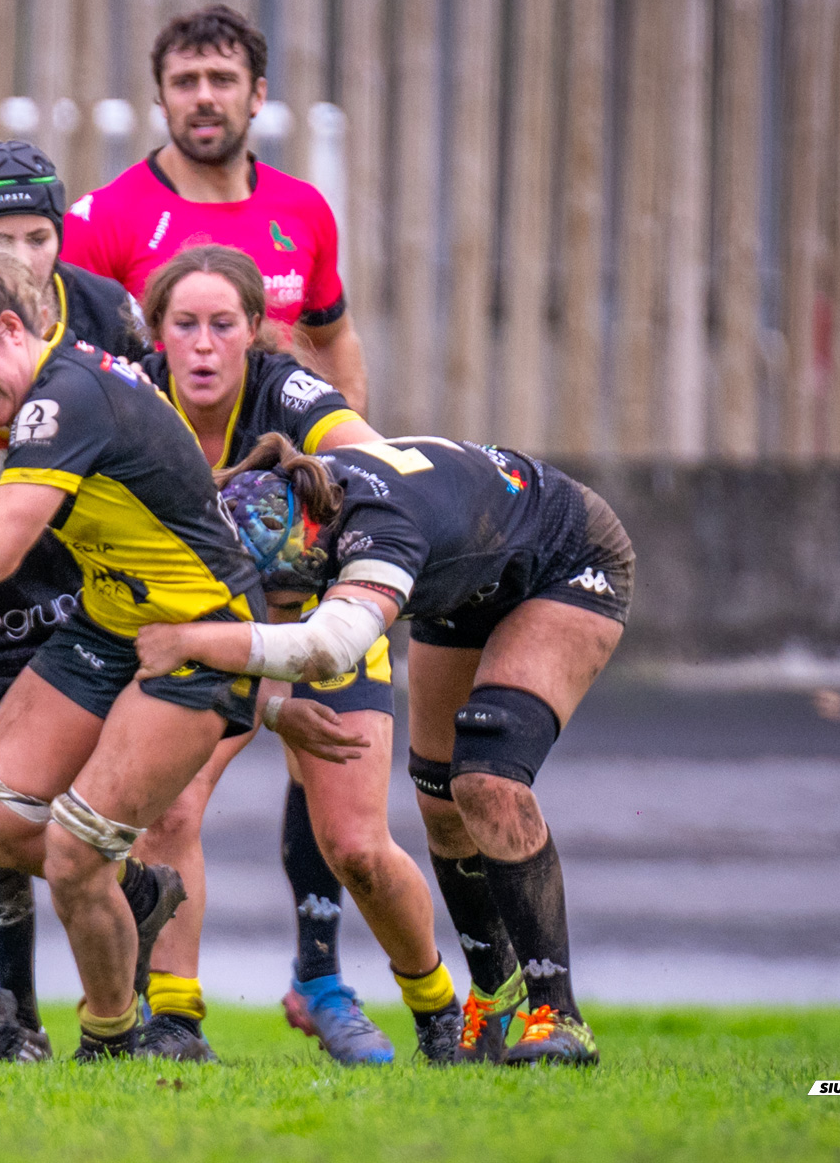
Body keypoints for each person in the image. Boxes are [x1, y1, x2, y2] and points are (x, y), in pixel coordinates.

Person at [0, 252, 351, 1061]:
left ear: (12, 327)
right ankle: (136, 889)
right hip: (113, 623)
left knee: (73, 850)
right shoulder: (41, 397)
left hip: (200, 632)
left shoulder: (62, 399)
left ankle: (111, 1039)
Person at [135, 431, 637, 1066]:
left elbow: (326, 647)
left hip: (565, 559)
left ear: (314, 557)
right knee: (441, 802)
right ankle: (492, 994)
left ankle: (559, 1016)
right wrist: (276, 707)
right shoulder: (294, 514)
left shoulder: (379, 533)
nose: (282, 613)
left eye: (289, 601)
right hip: (465, 579)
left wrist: (193, 643)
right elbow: (278, 644)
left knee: (487, 779)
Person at [117, 244, 426, 1063]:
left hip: (318, 618)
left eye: (225, 324)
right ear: (157, 332)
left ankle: (439, 1010)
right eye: (186, 324)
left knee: (357, 844)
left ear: (256, 331)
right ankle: (174, 1022)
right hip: (203, 631)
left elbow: (375, 460)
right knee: (168, 809)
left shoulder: (286, 389)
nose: (206, 344)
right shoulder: (128, 397)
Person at [61, 4, 367, 411]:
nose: (204, 97)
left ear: (257, 95)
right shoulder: (102, 219)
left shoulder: (303, 209)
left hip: (274, 465)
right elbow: (61, 366)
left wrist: (345, 453)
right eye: (185, 82)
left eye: (222, 80)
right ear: (162, 101)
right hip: (149, 466)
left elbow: (332, 339)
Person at [0, 138, 142, 360]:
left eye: (37, 240)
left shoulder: (109, 306)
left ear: (58, 239)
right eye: (0, 242)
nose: (22, 260)